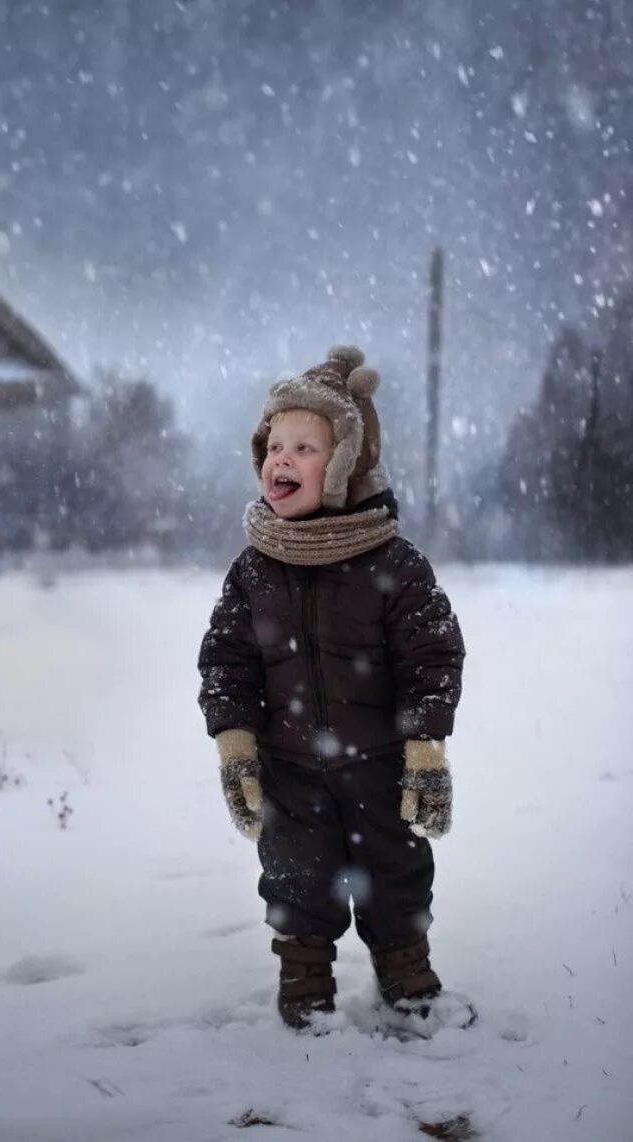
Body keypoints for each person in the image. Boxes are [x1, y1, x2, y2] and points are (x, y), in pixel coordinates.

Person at [197, 345, 471, 1035]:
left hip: (381, 763)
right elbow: (226, 659)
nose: (281, 459)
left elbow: (432, 655)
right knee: (295, 879)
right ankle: (304, 977)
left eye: (304, 447)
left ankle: (406, 970)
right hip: (289, 766)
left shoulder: (394, 563)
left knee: (397, 871)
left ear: (347, 463)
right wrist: (235, 743)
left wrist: (426, 747)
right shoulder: (255, 568)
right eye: (273, 445)